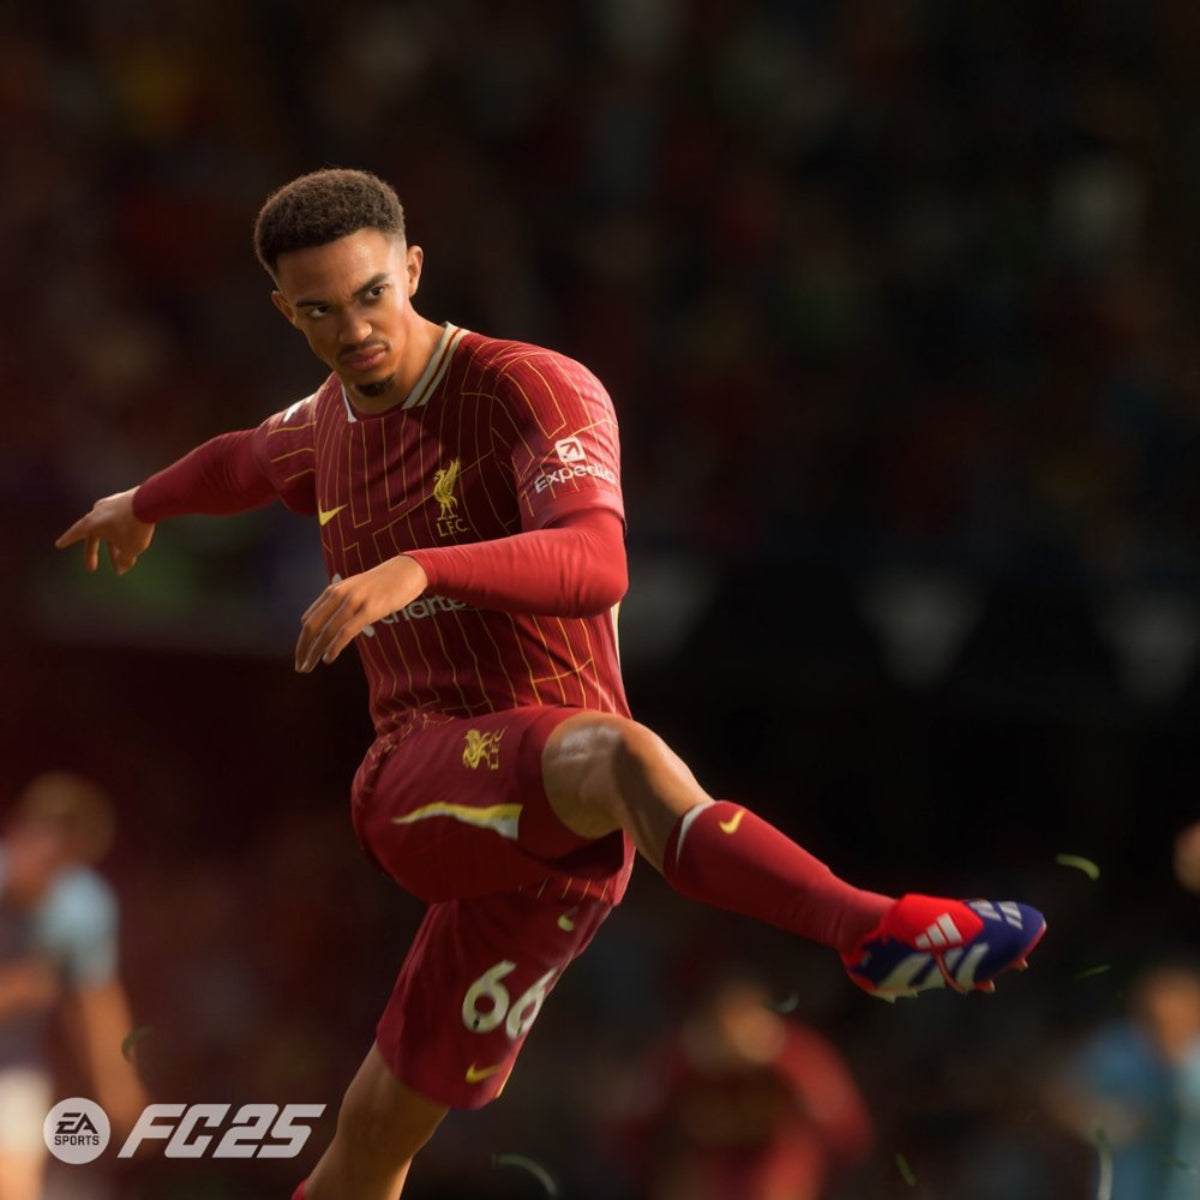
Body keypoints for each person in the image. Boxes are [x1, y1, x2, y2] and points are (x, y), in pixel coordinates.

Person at [56, 168, 1046, 1200]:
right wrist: (142, 502)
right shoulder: (321, 428)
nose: (353, 330)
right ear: (284, 311)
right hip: (421, 774)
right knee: (617, 754)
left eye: (371, 295)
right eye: (319, 311)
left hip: (565, 858)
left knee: (375, 1140)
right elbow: (240, 463)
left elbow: (598, 562)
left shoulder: (529, 388)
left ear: (413, 270)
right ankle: (869, 928)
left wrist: (420, 568)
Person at [0, 771, 146, 1200]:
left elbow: (97, 1000)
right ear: (18, 828)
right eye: (35, 839)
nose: (39, 857)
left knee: (14, 1186)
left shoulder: (84, 909)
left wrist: (119, 1089)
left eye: (57, 856)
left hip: (16, 1067)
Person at [606, 973, 873, 1200]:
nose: (736, 1035)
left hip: (775, 1173)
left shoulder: (796, 1057)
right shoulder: (680, 1060)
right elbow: (629, 1131)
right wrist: (654, 1173)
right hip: (706, 1174)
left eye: (745, 1022)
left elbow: (846, 1129)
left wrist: (785, 1064)